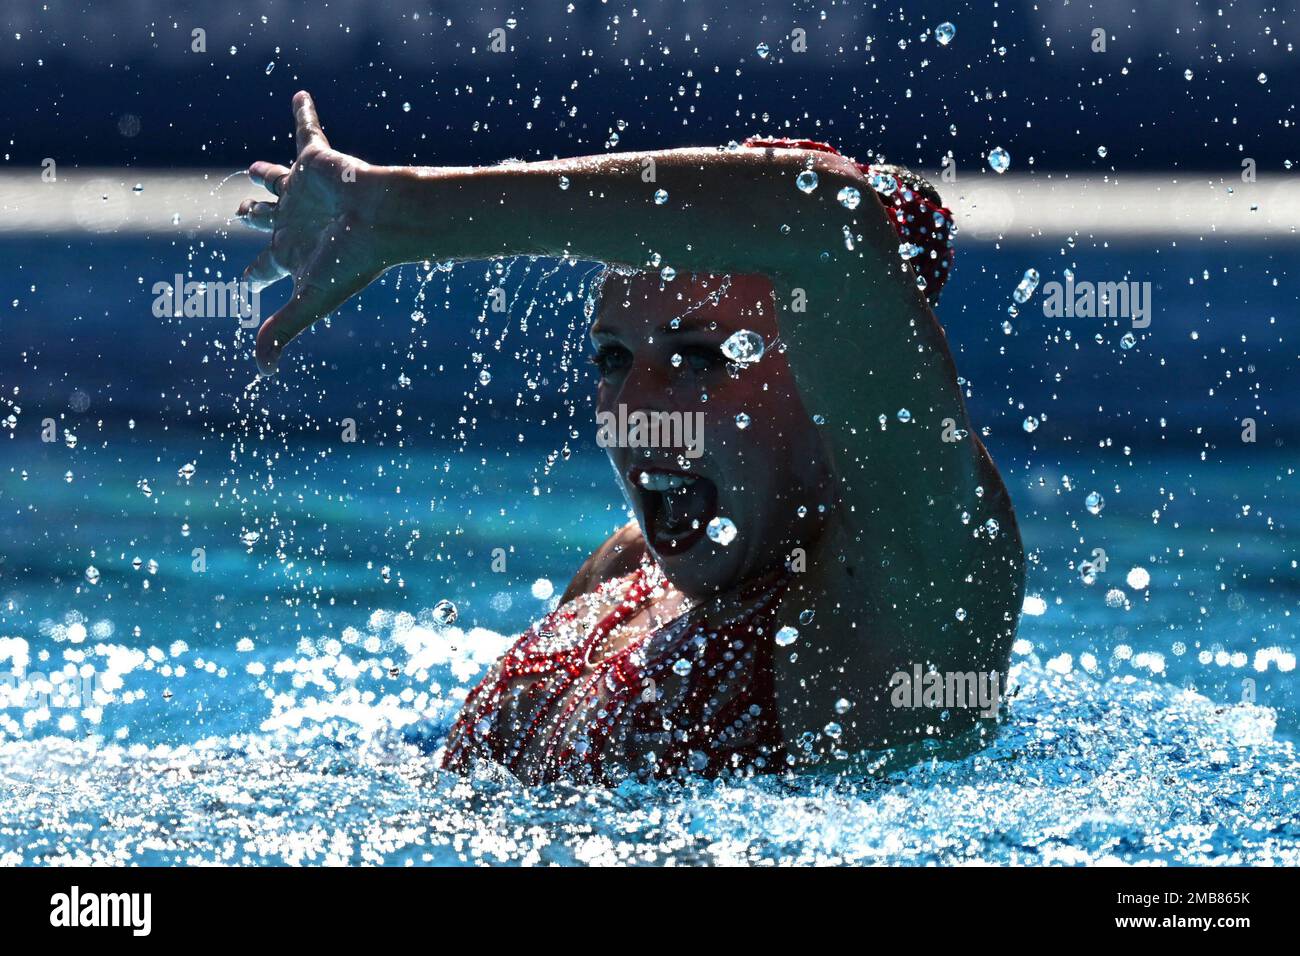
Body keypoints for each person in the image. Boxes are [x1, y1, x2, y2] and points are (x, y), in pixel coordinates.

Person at [238, 92, 1025, 784]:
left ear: (835, 383)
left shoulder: (918, 590)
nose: (634, 406)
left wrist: (409, 213)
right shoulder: (626, 571)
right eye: (614, 356)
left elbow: (823, 217)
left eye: (699, 356)